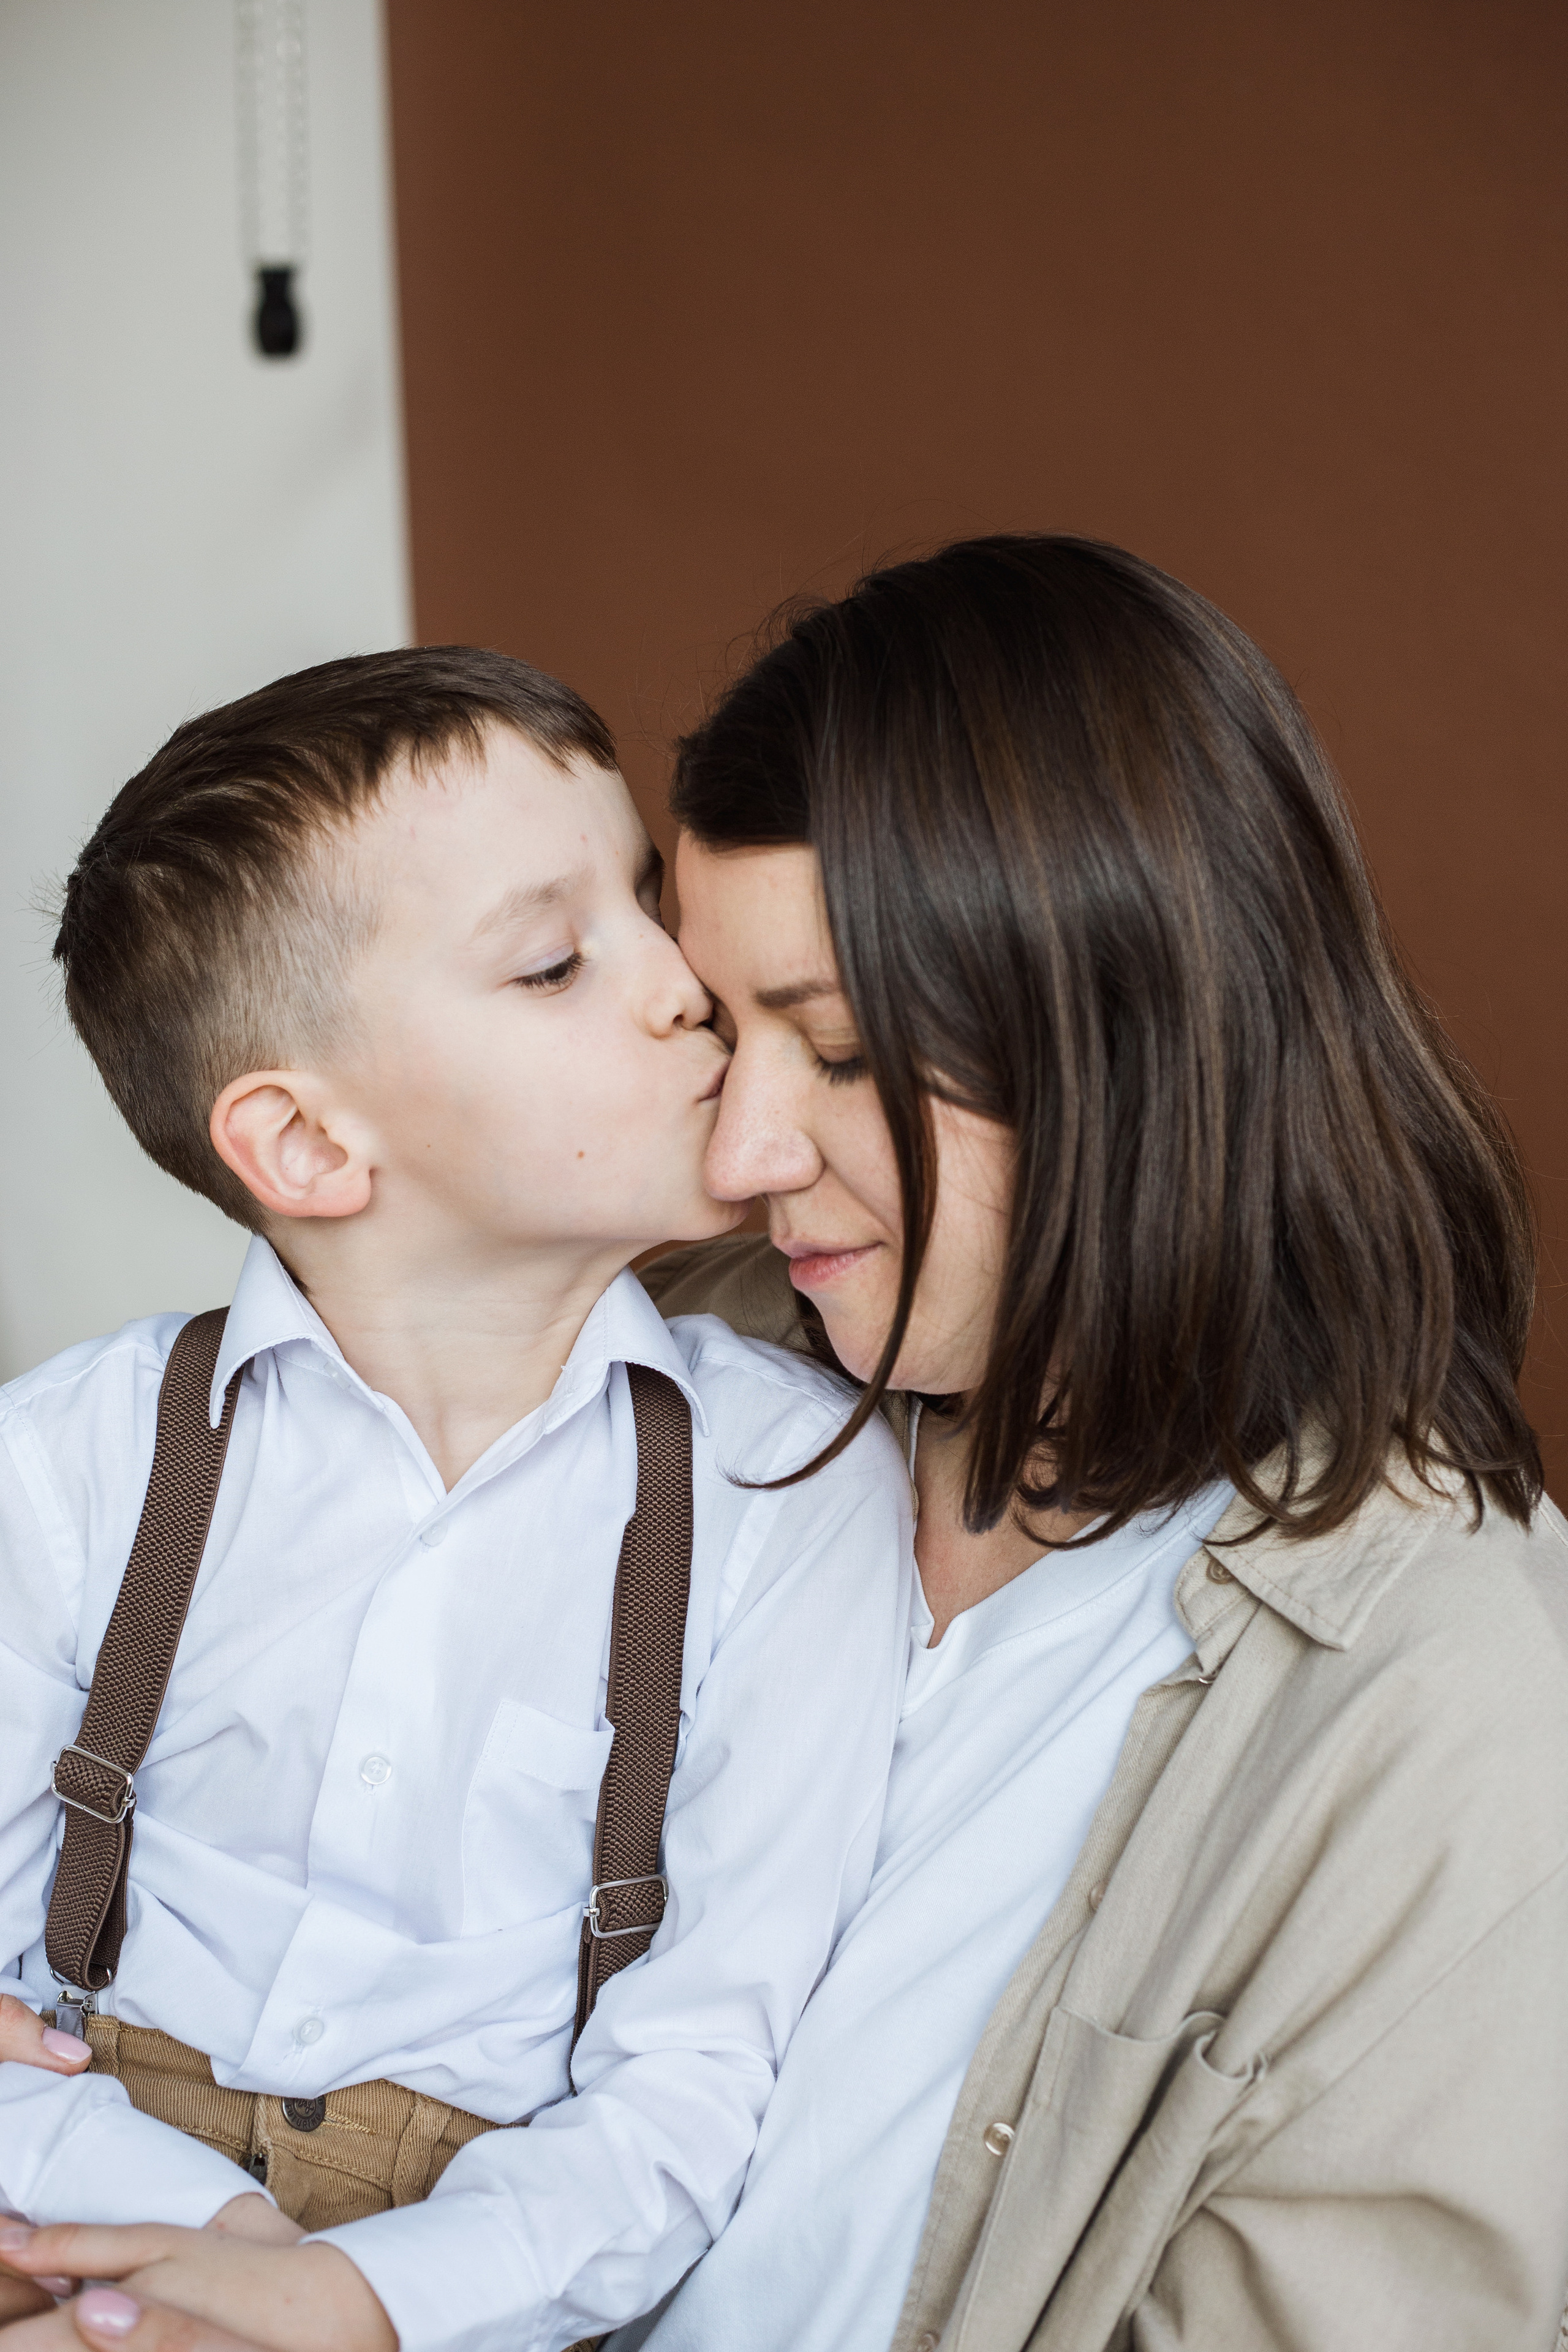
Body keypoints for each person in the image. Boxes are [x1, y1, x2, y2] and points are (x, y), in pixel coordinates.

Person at [6, 535, 1568, 2351]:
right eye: (718, 1024)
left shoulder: (1450, 1722)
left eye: (831, 1053)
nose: (735, 1154)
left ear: (1116, 1036)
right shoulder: (692, 1357)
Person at [0, 649, 912, 2352]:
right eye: (559, 961)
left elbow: (696, 2086)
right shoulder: (69, 1470)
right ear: (312, 1148)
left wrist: (343, 2303)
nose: (686, 988)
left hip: (481, 2303)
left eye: (652, 904)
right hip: (82, 2237)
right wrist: (199, 2250)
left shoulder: (793, 1493)